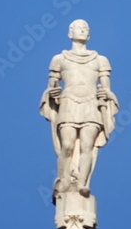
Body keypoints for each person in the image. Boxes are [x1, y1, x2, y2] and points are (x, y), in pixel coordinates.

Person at [40, 20, 119, 198]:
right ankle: (63, 179)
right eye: (79, 28)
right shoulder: (59, 59)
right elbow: (51, 85)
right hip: (68, 102)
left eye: (85, 29)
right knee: (66, 145)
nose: (82, 31)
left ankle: (83, 182)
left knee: (87, 146)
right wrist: (52, 93)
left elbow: (105, 87)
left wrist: (104, 95)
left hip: (91, 104)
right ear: (70, 33)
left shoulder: (100, 60)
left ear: (89, 35)